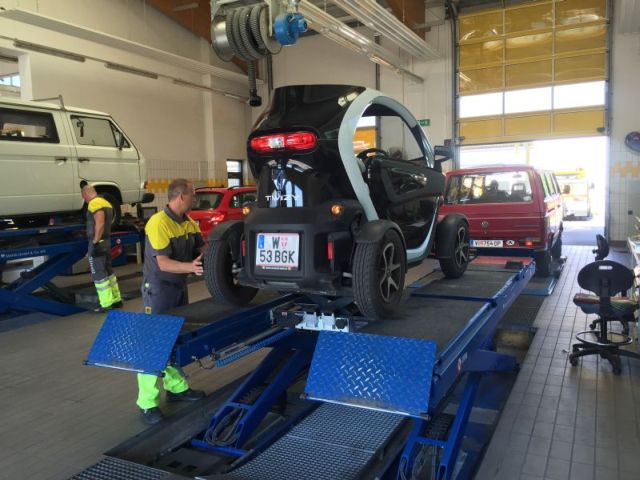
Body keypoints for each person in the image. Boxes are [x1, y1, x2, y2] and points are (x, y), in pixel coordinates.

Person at [137, 178, 206, 425]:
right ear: (181, 196)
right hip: (159, 290)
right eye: (193, 194)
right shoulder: (158, 223)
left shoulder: (188, 222)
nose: (195, 198)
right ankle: (147, 403)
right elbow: (163, 263)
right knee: (154, 343)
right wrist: (191, 267)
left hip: (178, 288)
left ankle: (176, 388)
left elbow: (203, 247)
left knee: (174, 338)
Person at [80, 182, 123, 313]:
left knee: (99, 274)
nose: (83, 199)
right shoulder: (106, 203)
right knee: (108, 271)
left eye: (83, 196)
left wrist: (95, 241)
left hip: (98, 242)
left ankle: (106, 303)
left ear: (86, 194)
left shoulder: (94, 203)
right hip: (107, 241)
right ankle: (116, 299)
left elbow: (100, 223)